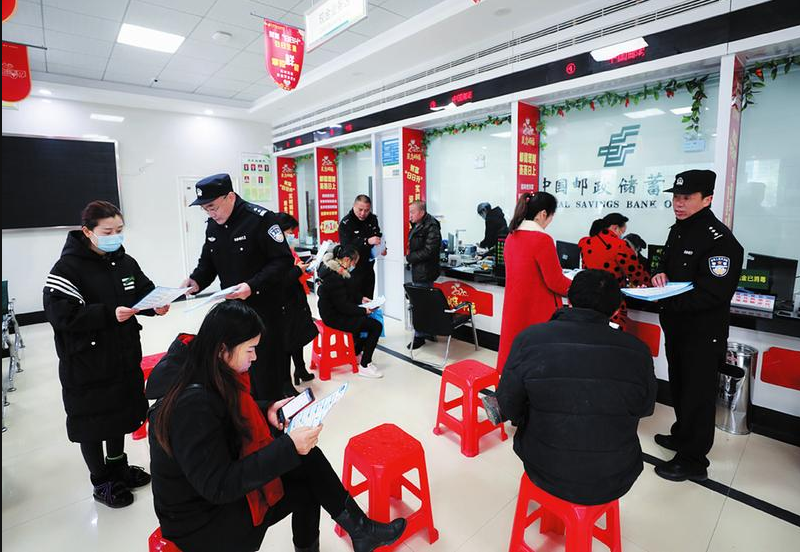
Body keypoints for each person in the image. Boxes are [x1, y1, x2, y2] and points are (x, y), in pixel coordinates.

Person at [148, 301, 406, 552]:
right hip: (203, 523)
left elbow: (225, 414)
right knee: (304, 473)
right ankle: (360, 531)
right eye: (250, 350)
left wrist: (266, 410)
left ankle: (360, 530)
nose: (255, 357)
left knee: (308, 460)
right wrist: (288, 447)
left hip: (214, 492)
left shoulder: (205, 366)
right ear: (223, 348)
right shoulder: (192, 406)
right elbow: (220, 485)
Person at [43, 200, 170, 508]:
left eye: (120, 230)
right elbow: (62, 315)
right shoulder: (66, 269)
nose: (115, 237)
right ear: (87, 231)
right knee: (92, 420)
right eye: (107, 231)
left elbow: (142, 292)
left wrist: (155, 305)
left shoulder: (124, 262)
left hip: (122, 353)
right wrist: (107, 314)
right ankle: (101, 480)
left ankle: (118, 467)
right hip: (87, 361)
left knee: (120, 412)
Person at [496, 269, 657, 505]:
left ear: (569, 301)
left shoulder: (530, 339)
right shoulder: (639, 351)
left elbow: (508, 404)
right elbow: (645, 408)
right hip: (615, 474)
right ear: (615, 311)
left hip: (543, 465)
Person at [651, 169, 743, 482]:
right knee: (680, 386)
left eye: (687, 198)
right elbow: (664, 265)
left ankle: (693, 459)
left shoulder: (721, 241)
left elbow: (713, 294)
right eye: (676, 197)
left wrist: (666, 300)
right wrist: (658, 276)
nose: (678, 203)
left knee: (698, 395)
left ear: (707, 199)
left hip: (702, 333)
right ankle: (682, 435)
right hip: (677, 328)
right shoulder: (679, 230)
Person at [181, 173, 306, 400]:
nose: (210, 213)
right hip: (235, 312)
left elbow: (282, 261)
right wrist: (196, 280)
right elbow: (208, 262)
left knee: (267, 370)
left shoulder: (260, 219)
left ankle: (271, 415)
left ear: (230, 197)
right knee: (238, 370)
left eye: (212, 207)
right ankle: (248, 413)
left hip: (265, 310)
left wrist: (252, 285)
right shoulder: (213, 225)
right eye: (205, 210)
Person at [496, 192, 571, 372]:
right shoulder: (543, 240)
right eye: (551, 217)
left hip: (515, 307)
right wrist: (578, 287)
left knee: (516, 356)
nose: (550, 222)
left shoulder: (511, 237)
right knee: (538, 361)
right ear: (543, 214)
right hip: (538, 310)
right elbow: (555, 281)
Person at [317, 245, 384, 378]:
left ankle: (356, 353)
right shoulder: (334, 277)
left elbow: (347, 293)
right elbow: (344, 306)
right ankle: (365, 365)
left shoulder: (336, 270)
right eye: (354, 263)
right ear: (347, 260)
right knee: (376, 326)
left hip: (335, 311)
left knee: (367, 322)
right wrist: (364, 311)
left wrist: (361, 299)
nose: (354, 266)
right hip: (334, 317)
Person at [578, 213, 650, 330]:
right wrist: (652, 284)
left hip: (587, 300)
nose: (621, 236)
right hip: (611, 302)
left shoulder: (585, 242)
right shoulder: (620, 245)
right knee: (613, 337)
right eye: (622, 232)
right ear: (615, 227)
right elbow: (637, 275)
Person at [276, 212, 315, 385]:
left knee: (297, 336)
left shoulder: (288, 250)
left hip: (297, 297)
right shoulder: (275, 253)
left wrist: (304, 268)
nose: (292, 236)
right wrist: (298, 270)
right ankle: (286, 380)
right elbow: (282, 279)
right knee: (288, 338)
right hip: (285, 301)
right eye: (290, 232)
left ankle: (300, 369)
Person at [405, 200, 442, 350]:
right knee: (424, 304)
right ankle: (428, 331)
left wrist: (410, 258)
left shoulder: (431, 226)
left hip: (425, 272)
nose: (410, 215)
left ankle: (419, 336)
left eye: (412, 212)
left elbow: (429, 250)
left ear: (421, 212)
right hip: (418, 270)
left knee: (420, 305)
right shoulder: (418, 224)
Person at [339, 195, 385, 299]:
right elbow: (347, 246)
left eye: (367, 210)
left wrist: (382, 247)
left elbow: (378, 235)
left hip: (368, 268)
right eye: (360, 210)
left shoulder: (372, 219)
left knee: (369, 300)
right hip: (353, 269)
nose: (363, 213)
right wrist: (366, 241)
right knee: (355, 301)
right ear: (354, 206)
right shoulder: (346, 223)